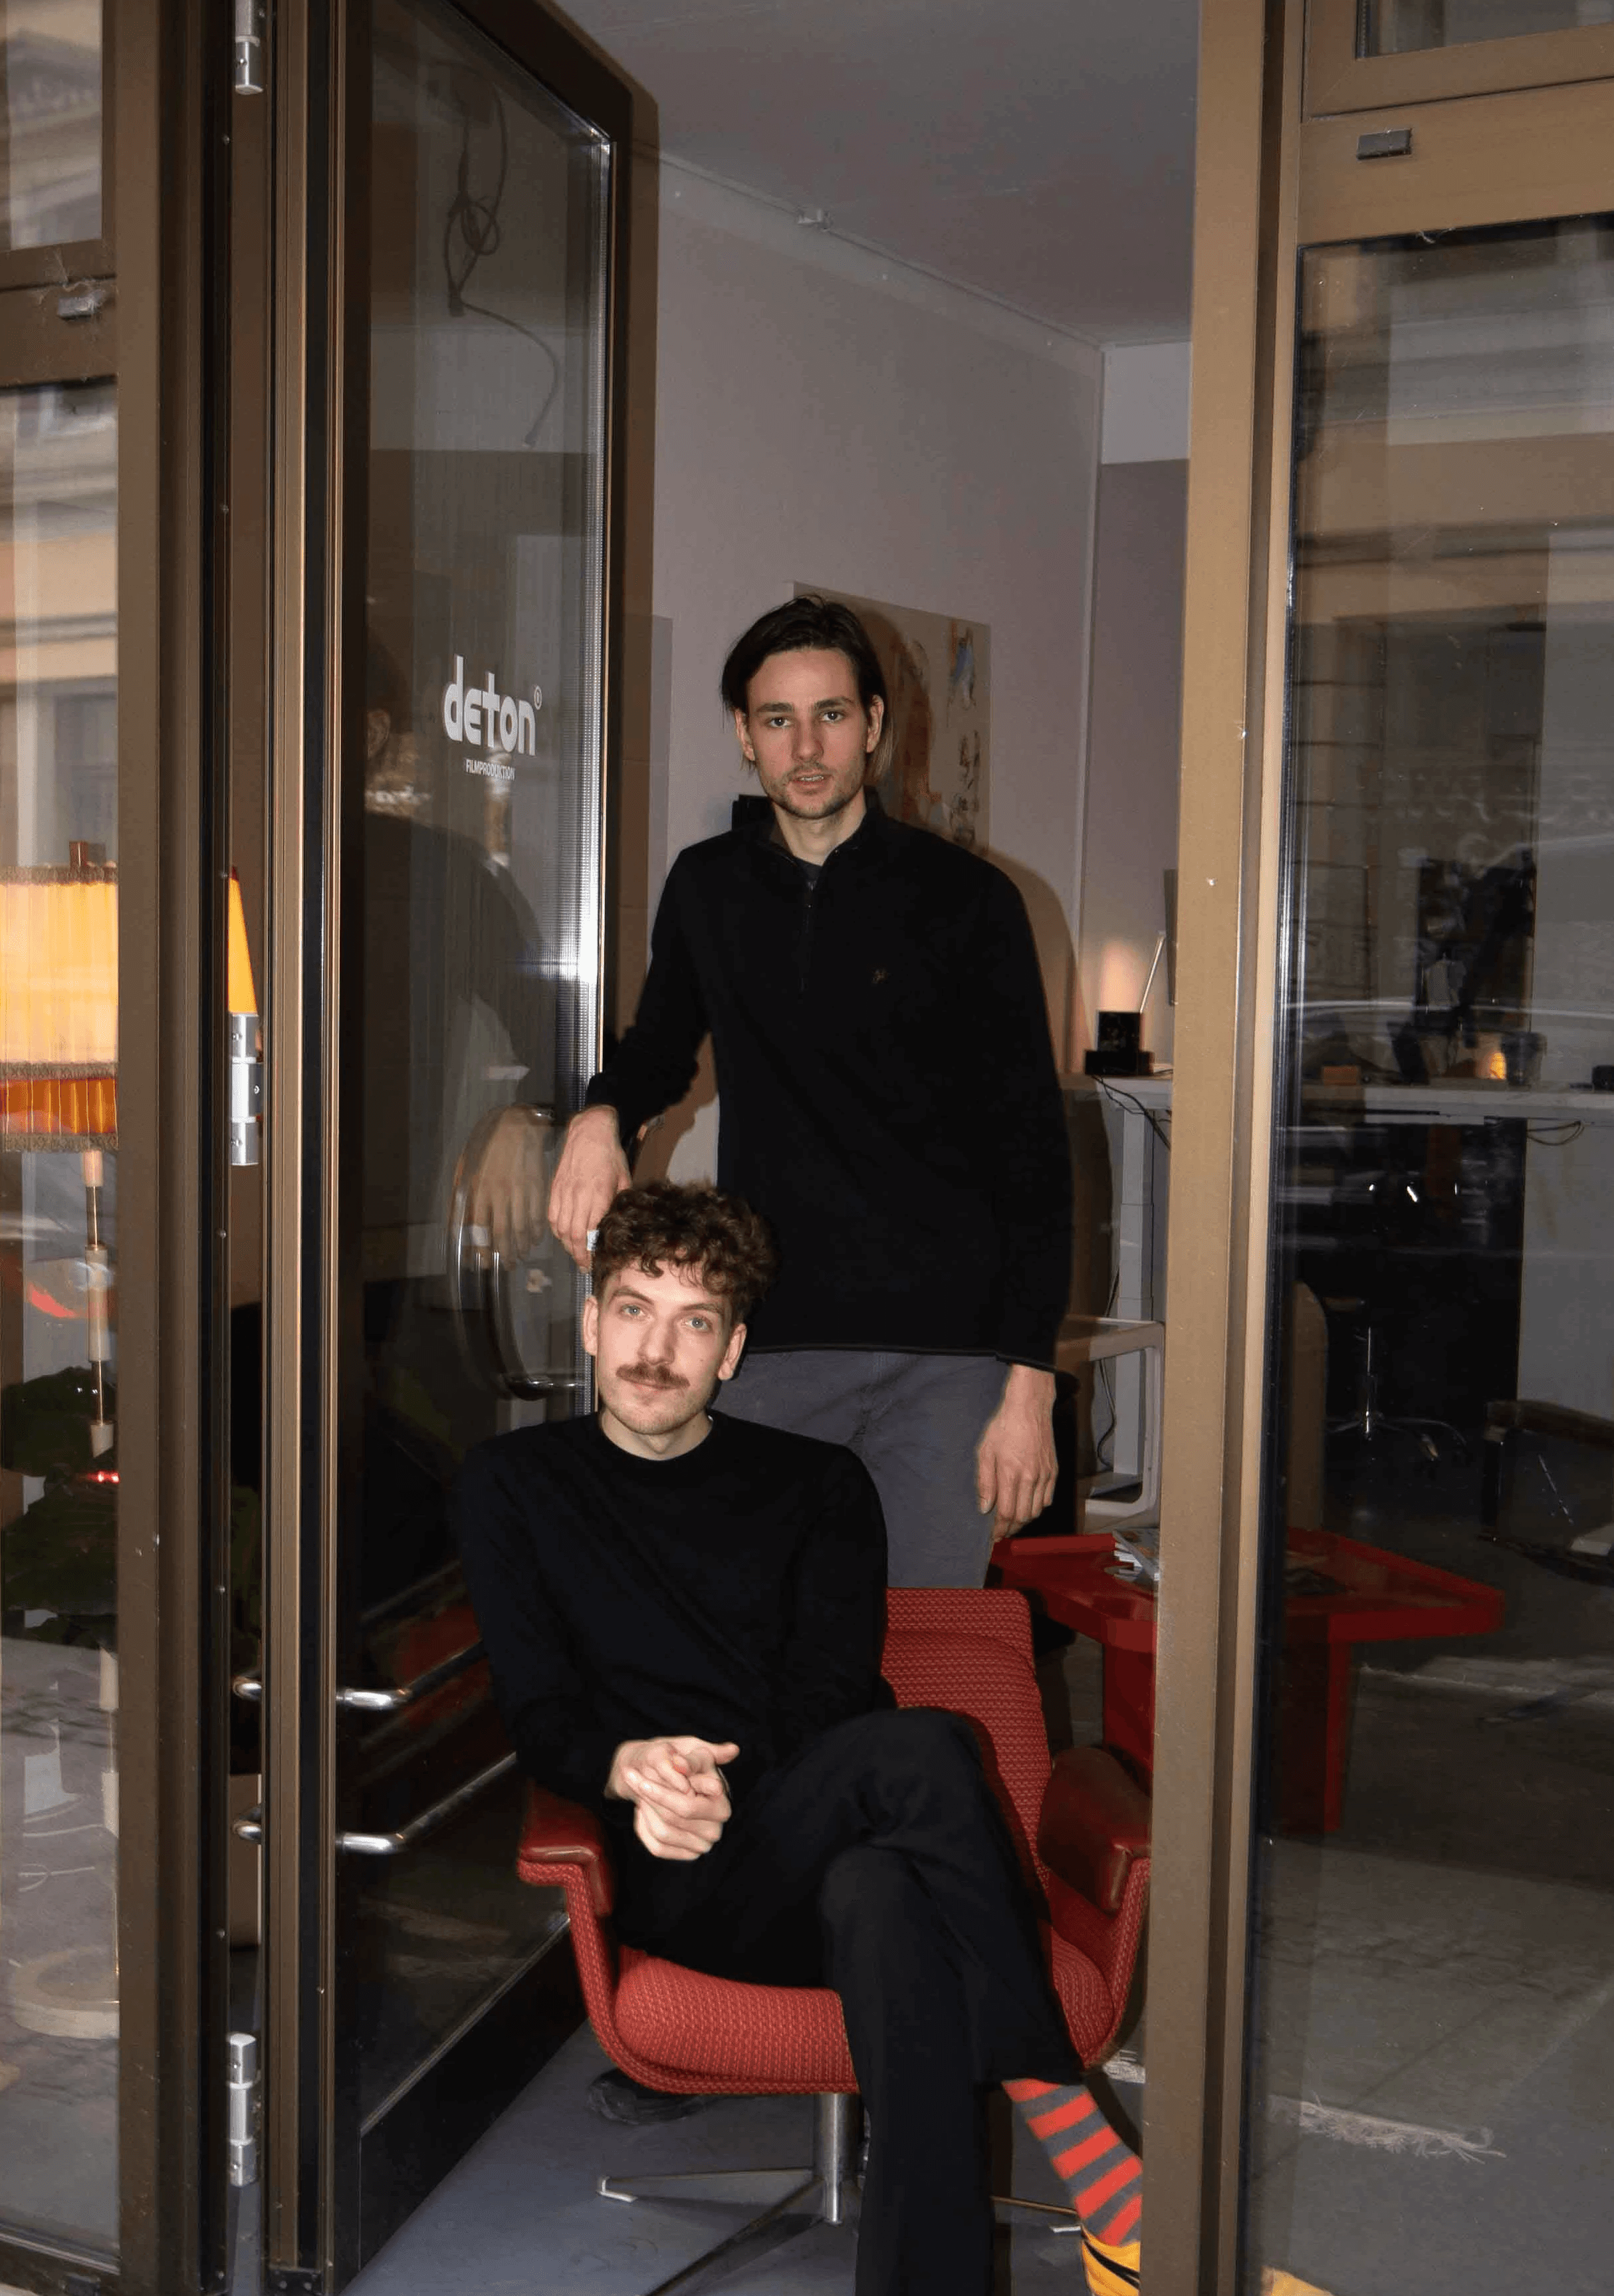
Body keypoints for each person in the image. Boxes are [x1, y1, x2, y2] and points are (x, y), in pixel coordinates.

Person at [453, 1181, 1144, 2296]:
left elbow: (827, 1695)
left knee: (886, 1879)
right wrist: (635, 1770)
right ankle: (1063, 2107)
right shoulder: (515, 1485)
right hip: (685, 1880)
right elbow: (539, 1708)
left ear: (733, 1352)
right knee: (922, 1754)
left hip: (806, 1828)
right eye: (633, 1310)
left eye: (696, 1323)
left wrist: (735, 1781)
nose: (656, 1350)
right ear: (589, 1323)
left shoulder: (818, 1483)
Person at [546, 594, 1072, 1587]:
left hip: (947, 1361)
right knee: (755, 1639)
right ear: (745, 736)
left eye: (831, 714)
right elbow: (659, 1046)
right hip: (775, 1339)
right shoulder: (708, 887)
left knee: (919, 1653)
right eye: (778, 720)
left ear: (874, 724)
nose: (808, 746)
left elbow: (1034, 1156)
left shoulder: (970, 902)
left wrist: (1029, 1384)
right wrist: (600, 1117)